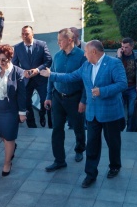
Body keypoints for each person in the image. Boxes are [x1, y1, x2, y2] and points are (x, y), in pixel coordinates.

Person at [41, 40, 127, 188]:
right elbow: (70, 77)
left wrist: (102, 91)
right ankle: (90, 174)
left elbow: (122, 84)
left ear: (94, 52)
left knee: (113, 142)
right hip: (92, 113)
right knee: (92, 145)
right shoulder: (86, 65)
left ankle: (115, 166)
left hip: (110, 113)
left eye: (86, 52)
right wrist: (51, 75)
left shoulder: (113, 63)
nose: (84, 54)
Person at [44, 28, 87, 172]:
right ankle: (59, 160)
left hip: (75, 98)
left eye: (60, 40)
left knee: (78, 127)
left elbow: (86, 81)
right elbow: (51, 76)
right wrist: (48, 96)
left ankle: (80, 149)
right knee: (57, 129)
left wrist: (83, 100)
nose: (58, 43)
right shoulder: (57, 56)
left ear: (70, 40)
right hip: (58, 98)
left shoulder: (82, 56)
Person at [0, 44, 27, 176]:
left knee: (9, 137)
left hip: (11, 111)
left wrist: (22, 112)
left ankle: (7, 163)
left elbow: (22, 94)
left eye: (3, 60)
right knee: (2, 135)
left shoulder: (18, 72)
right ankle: (11, 147)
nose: (0, 62)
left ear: (10, 58)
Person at [12, 25, 52, 128]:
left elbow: (48, 60)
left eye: (27, 34)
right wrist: (23, 72)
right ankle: (32, 125)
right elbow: (14, 65)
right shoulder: (17, 47)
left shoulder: (42, 45)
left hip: (41, 79)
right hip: (26, 80)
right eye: (23, 34)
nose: (24, 36)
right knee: (26, 102)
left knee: (45, 101)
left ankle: (43, 115)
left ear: (32, 34)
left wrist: (37, 70)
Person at [117, 37, 137, 132]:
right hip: (121, 88)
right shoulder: (119, 57)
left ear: (132, 47)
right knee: (120, 111)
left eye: (126, 47)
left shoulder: (136, 57)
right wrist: (119, 57)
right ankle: (120, 129)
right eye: (122, 47)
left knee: (131, 111)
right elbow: (115, 69)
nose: (124, 49)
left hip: (132, 87)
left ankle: (130, 130)